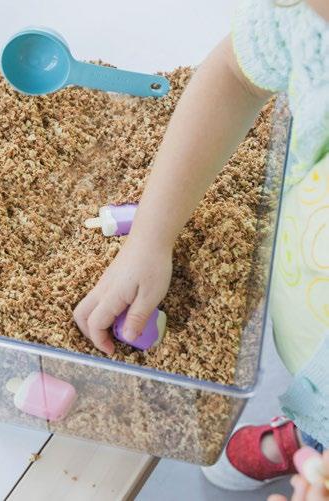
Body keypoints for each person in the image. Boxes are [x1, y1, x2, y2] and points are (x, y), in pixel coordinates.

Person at [74, 0, 329, 492]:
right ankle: (307, 432)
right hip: (307, 352)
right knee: (314, 416)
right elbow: (236, 75)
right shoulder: (308, 18)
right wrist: (149, 237)